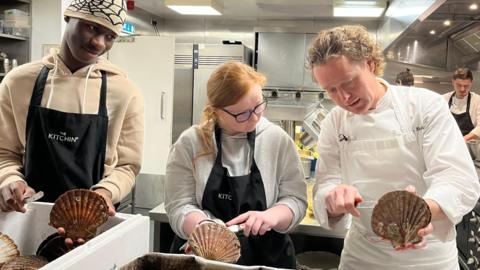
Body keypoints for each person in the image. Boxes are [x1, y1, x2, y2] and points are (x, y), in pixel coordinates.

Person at [307, 25, 480, 269]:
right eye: (331, 90)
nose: (343, 97)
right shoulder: (335, 122)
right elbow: (325, 185)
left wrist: (419, 214)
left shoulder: (424, 106)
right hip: (362, 257)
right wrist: (332, 198)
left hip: (428, 257)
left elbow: (457, 179)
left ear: (370, 64)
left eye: (349, 82)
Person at [0, 0, 144, 218]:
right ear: (68, 16)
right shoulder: (18, 82)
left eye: (110, 36)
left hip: (91, 221)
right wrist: (10, 179)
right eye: (92, 27)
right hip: (25, 215)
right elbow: (4, 152)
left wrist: (105, 192)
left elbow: (127, 166)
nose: (99, 43)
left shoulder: (125, 92)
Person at [164, 61, 307, 268]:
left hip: (267, 257)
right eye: (242, 114)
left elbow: (296, 199)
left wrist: (271, 216)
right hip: (205, 260)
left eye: (258, 105)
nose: (255, 117)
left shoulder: (277, 140)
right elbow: (179, 204)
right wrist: (204, 228)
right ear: (217, 111)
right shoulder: (190, 142)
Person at [443, 68, 480, 141]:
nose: (462, 89)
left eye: (466, 86)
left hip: (469, 147)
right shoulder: (443, 99)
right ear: (453, 82)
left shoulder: (477, 100)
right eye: (459, 85)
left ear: (471, 83)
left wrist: (462, 140)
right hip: (447, 143)